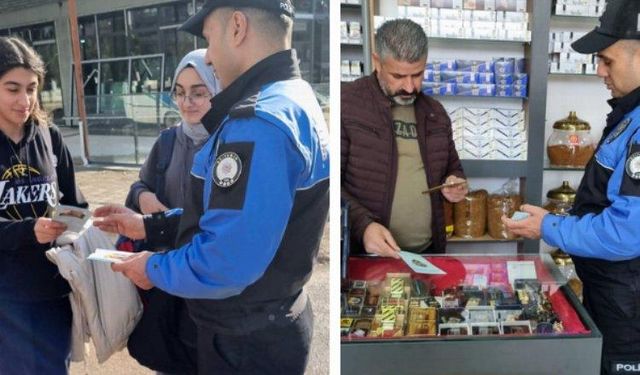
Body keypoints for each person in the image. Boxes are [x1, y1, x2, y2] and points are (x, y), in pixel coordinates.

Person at [93, 1, 329, 374]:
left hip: (244, 342)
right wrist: (148, 226)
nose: (210, 55)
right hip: (270, 323)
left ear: (237, 27)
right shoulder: (294, 97)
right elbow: (234, 217)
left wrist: (153, 267)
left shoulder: (257, 123)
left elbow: (226, 259)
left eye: (209, 38)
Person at [503, 1, 640, 373]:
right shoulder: (628, 117)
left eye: (607, 61)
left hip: (628, 315)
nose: (599, 71)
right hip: (612, 298)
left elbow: (625, 233)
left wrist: (548, 226)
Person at [122, 49, 220, 375]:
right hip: (167, 276)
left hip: (210, 280)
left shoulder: (231, 143)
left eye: (198, 93)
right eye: (179, 93)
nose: (187, 102)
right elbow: (136, 189)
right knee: (169, 355)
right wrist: (145, 195)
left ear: (218, 91)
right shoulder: (166, 142)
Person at [341, 18, 467, 259]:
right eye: (398, 76)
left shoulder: (435, 113)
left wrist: (456, 183)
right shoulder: (347, 105)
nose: (409, 87)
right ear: (377, 62)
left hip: (427, 255)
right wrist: (363, 226)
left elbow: (454, 169)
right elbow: (331, 186)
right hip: (368, 258)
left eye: (417, 75)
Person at [0, 36, 87, 375]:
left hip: (52, 290)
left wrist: (75, 224)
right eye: (12, 88)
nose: (25, 100)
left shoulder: (49, 136)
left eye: (32, 88)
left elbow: (74, 200)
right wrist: (27, 231)